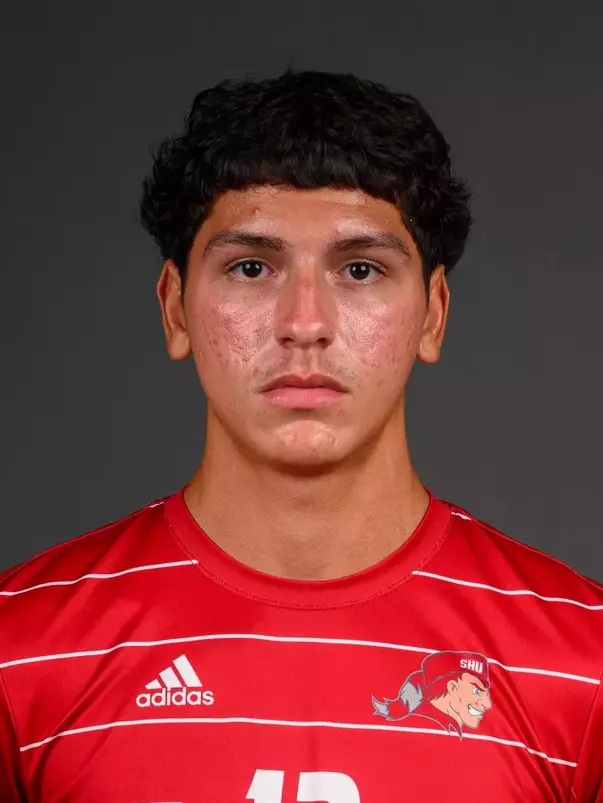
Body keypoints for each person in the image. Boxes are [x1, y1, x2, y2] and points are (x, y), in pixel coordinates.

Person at [0, 68, 601, 802]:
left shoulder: (581, 667)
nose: (304, 324)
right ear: (176, 309)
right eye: (251, 267)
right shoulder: (22, 652)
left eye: (359, 268)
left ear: (433, 314)